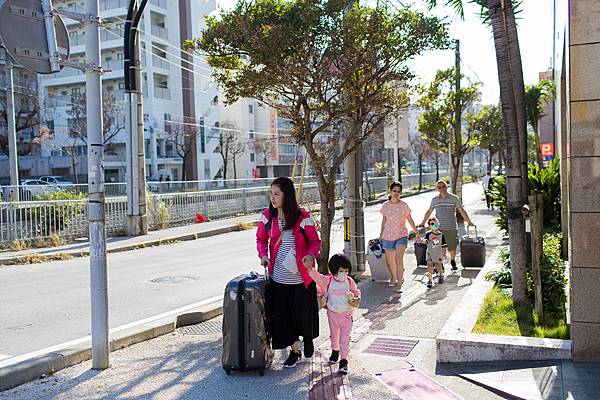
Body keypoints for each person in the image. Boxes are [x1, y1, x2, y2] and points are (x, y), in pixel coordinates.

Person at [256, 177, 321, 368]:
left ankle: (307, 338)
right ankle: (295, 350)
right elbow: (261, 239)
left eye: (277, 194)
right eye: (271, 193)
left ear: (287, 195)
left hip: (301, 279)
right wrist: (263, 255)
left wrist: (311, 255)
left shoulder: (302, 217)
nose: (272, 197)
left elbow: (315, 242)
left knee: (302, 315)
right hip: (279, 280)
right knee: (284, 318)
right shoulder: (268, 217)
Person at [304, 253, 361, 375]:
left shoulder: (349, 281)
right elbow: (317, 277)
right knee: (334, 337)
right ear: (334, 271)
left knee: (344, 339)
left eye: (346, 271)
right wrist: (309, 268)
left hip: (347, 316)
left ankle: (344, 360)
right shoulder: (328, 281)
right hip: (333, 315)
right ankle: (335, 351)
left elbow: (356, 293)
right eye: (341, 271)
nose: (344, 274)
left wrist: (356, 298)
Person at [420, 180, 474, 271]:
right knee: (437, 247)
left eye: (443, 186)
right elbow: (429, 211)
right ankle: (440, 265)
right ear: (437, 189)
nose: (442, 188)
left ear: (447, 186)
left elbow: (461, 210)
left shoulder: (454, 198)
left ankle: (452, 261)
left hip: (451, 227)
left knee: (452, 246)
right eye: (439, 187)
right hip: (437, 228)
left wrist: (468, 221)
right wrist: (422, 222)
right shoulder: (435, 200)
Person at [379, 181, 420, 293]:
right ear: (390, 191)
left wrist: (416, 232)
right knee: (389, 262)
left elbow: (410, 219)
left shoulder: (404, 206)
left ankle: (399, 283)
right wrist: (381, 235)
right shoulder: (385, 206)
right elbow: (384, 221)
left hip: (401, 235)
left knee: (398, 259)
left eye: (398, 191)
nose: (396, 193)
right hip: (387, 236)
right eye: (394, 191)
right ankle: (394, 277)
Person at [422, 217, 447, 289]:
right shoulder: (428, 234)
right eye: (432, 224)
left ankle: (440, 275)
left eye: (435, 223)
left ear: (438, 223)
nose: (434, 225)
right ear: (429, 226)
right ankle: (429, 280)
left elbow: (444, 245)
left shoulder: (441, 235)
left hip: (438, 253)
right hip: (429, 252)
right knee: (429, 265)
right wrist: (421, 240)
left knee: (438, 266)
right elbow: (425, 241)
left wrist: (444, 253)